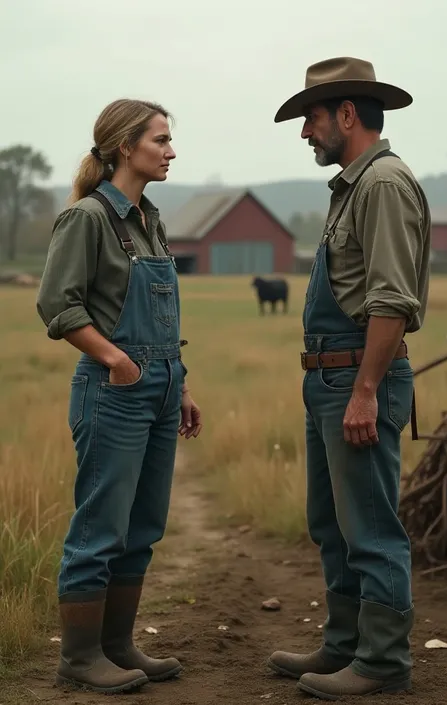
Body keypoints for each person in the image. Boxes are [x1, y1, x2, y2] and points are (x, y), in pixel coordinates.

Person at [267, 57, 431, 700]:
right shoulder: (353, 187)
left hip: (357, 377)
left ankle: (383, 661)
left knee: (370, 524)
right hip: (330, 379)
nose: (305, 132)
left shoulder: (383, 184)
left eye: (310, 118)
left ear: (346, 113)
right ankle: (344, 644)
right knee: (333, 522)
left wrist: (365, 390)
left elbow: (392, 301)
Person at [37, 98, 202, 694]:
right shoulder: (88, 218)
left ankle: (118, 646)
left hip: (159, 390)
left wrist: (177, 382)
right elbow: (58, 307)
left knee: (142, 527)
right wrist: (117, 361)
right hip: (113, 391)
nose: (170, 150)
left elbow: (162, 314)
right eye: (160, 140)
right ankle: (79, 659)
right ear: (125, 146)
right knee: (100, 527)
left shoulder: (146, 218)